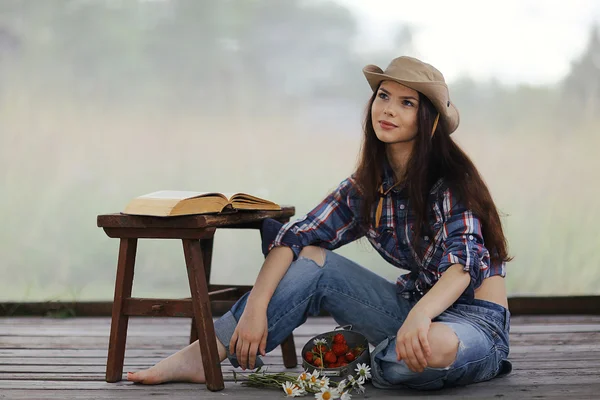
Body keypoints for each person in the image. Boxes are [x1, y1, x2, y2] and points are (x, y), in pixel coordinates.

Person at [127, 56, 512, 390]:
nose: (388, 110)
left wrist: (420, 317)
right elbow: (295, 240)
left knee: (430, 351)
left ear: (427, 121)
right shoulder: (366, 187)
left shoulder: (451, 181)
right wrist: (255, 309)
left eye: (406, 103)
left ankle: (358, 359)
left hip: (472, 323)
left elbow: (462, 266)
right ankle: (206, 354)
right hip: (411, 310)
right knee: (315, 258)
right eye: (383, 96)